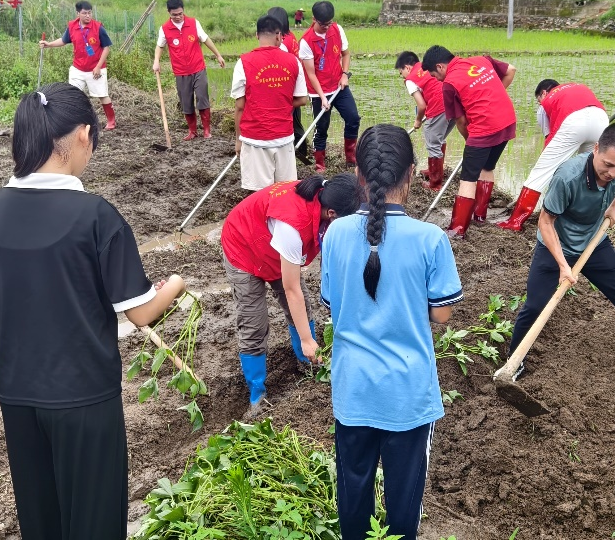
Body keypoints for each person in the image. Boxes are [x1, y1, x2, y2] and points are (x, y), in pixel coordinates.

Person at [0, 82, 187, 538]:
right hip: (84, 398)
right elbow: (140, 314)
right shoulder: (96, 216)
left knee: (43, 521)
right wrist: (175, 284)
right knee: (94, 521)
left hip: (18, 395)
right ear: (83, 135)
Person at [320, 124, 462, 540]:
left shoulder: (335, 235)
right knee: (404, 498)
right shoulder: (430, 239)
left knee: (353, 491)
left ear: (360, 177)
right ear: (413, 173)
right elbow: (442, 316)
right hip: (407, 394)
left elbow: (332, 305)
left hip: (354, 390)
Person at [506, 123, 615, 383]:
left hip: (594, 242)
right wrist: (563, 265)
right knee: (534, 306)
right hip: (555, 245)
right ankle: (513, 363)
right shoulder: (567, 177)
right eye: (608, 164)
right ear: (596, 148)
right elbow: (545, 222)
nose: (613, 173)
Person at [220, 174, 360, 419]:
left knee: (303, 308)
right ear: (333, 214)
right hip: (243, 246)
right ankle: (257, 395)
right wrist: (307, 339)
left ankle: (308, 366)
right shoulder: (293, 225)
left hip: (274, 247)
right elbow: (291, 288)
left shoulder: (325, 199)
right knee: (254, 323)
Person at [421, 45, 517, 239]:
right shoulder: (482, 60)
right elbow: (511, 70)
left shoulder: (449, 84)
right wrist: (492, 94)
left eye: (434, 75)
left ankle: (457, 229)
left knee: (468, 178)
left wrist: (470, 142)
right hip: (507, 121)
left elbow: (461, 121)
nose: (437, 80)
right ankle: (480, 216)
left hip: (484, 128)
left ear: (440, 67)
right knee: (487, 167)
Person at [498, 80, 608, 232]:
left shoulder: (545, 104)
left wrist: (546, 164)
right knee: (589, 173)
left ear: (543, 93)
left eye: (538, 101)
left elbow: (549, 137)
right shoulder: (576, 86)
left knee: (539, 174)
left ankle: (515, 222)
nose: (540, 104)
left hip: (574, 122)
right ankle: (583, 219)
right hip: (601, 119)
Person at [231, 16, 308, 191]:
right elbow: (302, 99)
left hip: (254, 139)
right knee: (285, 193)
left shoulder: (243, 62)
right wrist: (281, 102)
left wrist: (238, 140)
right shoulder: (293, 61)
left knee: (258, 195)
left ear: (257, 35)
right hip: (284, 138)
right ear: (279, 35)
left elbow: (240, 106)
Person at [298, 0, 361, 173]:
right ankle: (320, 163)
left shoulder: (338, 30)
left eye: (329, 23)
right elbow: (311, 74)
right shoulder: (306, 42)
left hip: (339, 86)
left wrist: (344, 74)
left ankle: (351, 157)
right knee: (322, 126)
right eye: (323, 24)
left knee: (353, 117)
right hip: (319, 93)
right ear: (314, 19)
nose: (326, 27)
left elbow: (346, 54)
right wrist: (323, 97)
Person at [154, 0, 226, 141]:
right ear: (169, 13)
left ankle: (207, 131)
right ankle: (192, 131)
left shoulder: (193, 23)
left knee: (202, 98)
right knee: (186, 102)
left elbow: (205, 39)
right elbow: (160, 46)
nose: (178, 17)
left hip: (198, 68)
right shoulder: (165, 29)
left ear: (183, 11)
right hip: (181, 72)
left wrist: (218, 55)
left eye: (180, 13)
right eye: (175, 14)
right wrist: (156, 61)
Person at [39, 0, 117, 130]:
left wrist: (98, 66)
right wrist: (49, 44)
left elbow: (106, 48)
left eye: (90, 13)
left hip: (95, 69)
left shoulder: (98, 28)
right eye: (85, 13)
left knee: (102, 95)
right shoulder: (72, 27)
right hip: (78, 68)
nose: (88, 16)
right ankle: (75, 121)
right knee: (73, 95)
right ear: (78, 14)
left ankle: (111, 121)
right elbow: (64, 41)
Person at [394, 50, 451, 191]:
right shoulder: (425, 67)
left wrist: (418, 120)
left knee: (433, 143)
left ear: (407, 67)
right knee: (439, 137)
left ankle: (435, 184)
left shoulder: (410, 80)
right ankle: (434, 171)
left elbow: (421, 105)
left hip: (439, 107)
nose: (402, 76)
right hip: (452, 102)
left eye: (401, 72)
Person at [268, 6, 309, 163]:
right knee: (294, 121)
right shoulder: (290, 36)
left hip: (287, 88)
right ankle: (300, 152)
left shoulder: (283, 42)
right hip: (293, 86)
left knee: (292, 122)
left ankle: (301, 154)